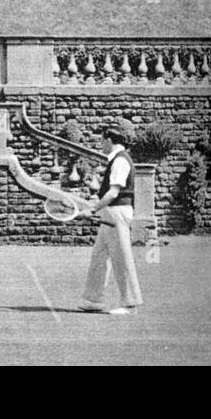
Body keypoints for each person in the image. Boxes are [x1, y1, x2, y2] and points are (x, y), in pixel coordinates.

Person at [78, 120, 143, 315]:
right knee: (99, 257)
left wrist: (92, 209)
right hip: (110, 215)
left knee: (121, 257)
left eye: (102, 141)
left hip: (117, 213)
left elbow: (114, 192)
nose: (101, 145)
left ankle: (130, 304)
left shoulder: (121, 160)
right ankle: (93, 300)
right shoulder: (116, 160)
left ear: (110, 140)